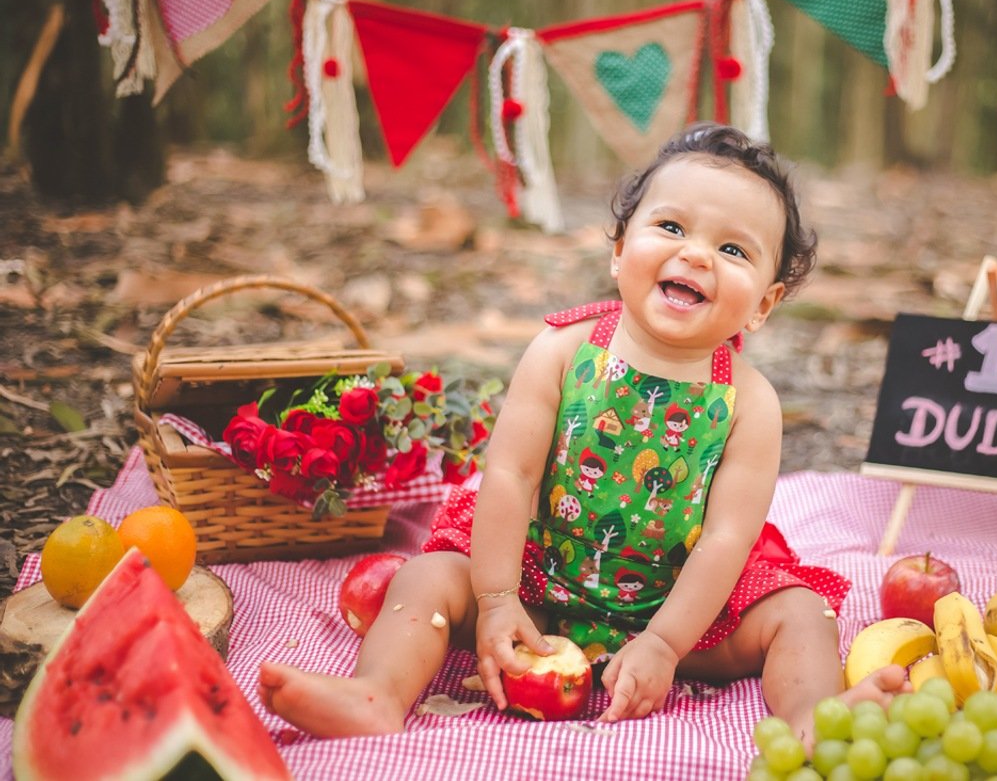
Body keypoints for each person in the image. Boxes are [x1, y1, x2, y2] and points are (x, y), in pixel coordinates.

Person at [259, 123, 908, 743]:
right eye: (672, 226)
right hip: (539, 584)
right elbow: (510, 474)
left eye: (733, 250)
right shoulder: (562, 351)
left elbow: (726, 539)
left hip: (681, 607)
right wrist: (495, 599)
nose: (695, 253)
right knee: (426, 578)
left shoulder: (751, 402)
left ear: (764, 302)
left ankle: (813, 718)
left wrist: (664, 643)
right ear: (620, 250)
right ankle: (375, 694)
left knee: (802, 614)